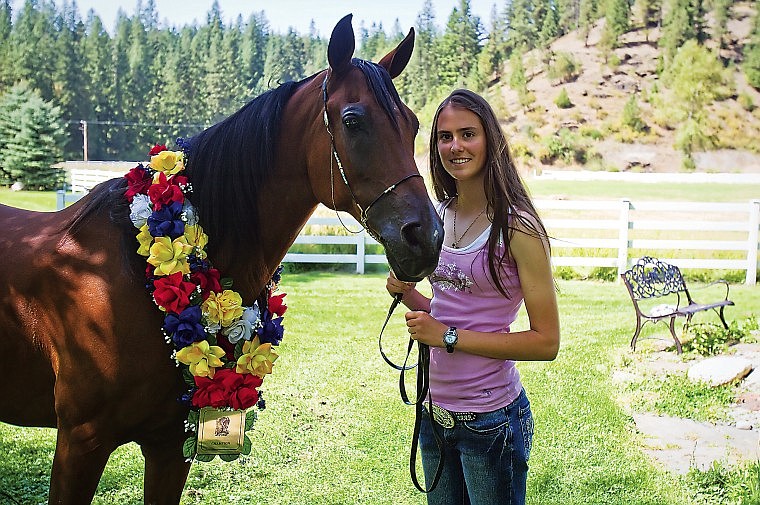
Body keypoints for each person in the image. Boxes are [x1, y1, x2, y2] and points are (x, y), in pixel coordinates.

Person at [386, 89, 560, 505]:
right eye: (445, 137)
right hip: (434, 413)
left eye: (468, 134)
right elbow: (450, 315)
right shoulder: (438, 217)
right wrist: (410, 296)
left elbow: (546, 342)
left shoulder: (518, 228)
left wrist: (445, 336)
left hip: (490, 420)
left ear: (490, 140)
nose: (455, 146)